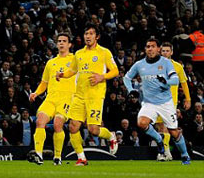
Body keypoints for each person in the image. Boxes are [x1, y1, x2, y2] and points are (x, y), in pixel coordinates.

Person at [57, 24, 119, 166]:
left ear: (97, 36)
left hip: (95, 96)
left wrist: (102, 77)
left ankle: (110, 135)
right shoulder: (79, 53)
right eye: (86, 34)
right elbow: (72, 70)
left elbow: (115, 71)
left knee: (93, 130)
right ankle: (81, 158)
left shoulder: (104, 52)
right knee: (73, 127)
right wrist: (63, 75)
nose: (88, 36)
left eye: (91, 34)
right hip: (79, 95)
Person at [123, 38, 191, 165]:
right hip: (149, 102)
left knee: (174, 132)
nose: (150, 49)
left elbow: (176, 80)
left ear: (157, 49)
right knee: (142, 123)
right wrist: (130, 90)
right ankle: (159, 141)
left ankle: (185, 155)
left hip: (166, 103)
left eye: (153, 46)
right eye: (148, 46)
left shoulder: (166, 63)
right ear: (145, 49)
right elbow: (126, 78)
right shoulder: (139, 64)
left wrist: (166, 82)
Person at [28, 33, 75, 165]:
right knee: (40, 121)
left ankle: (58, 157)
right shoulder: (51, 63)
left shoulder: (75, 60)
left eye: (64, 41)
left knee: (57, 124)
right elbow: (44, 82)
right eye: (59, 41)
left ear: (69, 44)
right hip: (51, 98)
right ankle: (38, 154)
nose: (61, 43)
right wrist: (36, 93)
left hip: (66, 98)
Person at [154, 42, 191, 161]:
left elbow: (184, 83)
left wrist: (188, 99)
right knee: (160, 127)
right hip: (156, 100)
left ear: (172, 52)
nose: (165, 53)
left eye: (167, 51)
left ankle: (164, 152)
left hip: (170, 101)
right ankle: (166, 151)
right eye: (163, 51)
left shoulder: (178, 67)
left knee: (166, 127)